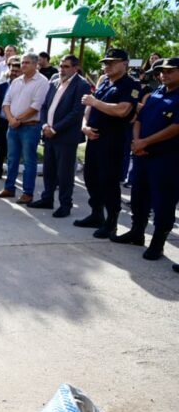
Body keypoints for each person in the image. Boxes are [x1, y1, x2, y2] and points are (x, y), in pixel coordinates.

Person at [111, 57, 179, 261]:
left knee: (163, 201)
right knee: (139, 197)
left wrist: (145, 142)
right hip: (142, 155)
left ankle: (157, 243)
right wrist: (137, 141)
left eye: (170, 71)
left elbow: (175, 128)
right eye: (161, 72)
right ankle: (137, 232)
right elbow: (139, 119)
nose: (164, 74)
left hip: (166, 159)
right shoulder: (157, 92)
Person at [75, 49, 142, 239]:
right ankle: (97, 214)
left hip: (113, 140)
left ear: (125, 64)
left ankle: (111, 222)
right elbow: (89, 107)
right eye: (105, 62)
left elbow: (123, 110)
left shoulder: (130, 85)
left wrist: (95, 103)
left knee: (108, 181)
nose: (107, 65)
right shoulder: (104, 81)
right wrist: (85, 126)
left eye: (112, 62)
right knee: (90, 177)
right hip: (94, 138)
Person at [28, 55, 91, 217]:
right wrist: (44, 126)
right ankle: (47, 199)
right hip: (48, 134)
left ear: (75, 68)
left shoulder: (81, 85)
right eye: (61, 66)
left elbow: (76, 113)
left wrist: (55, 129)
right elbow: (44, 106)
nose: (62, 69)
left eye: (66, 66)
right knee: (49, 170)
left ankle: (65, 205)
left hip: (65, 138)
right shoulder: (54, 81)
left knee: (64, 174)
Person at [0, 53, 49, 204]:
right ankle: (9, 188)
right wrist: (11, 119)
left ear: (36, 64)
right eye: (22, 62)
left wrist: (18, 119)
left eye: (27, 63)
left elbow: (36, 106)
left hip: (30, 127)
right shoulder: (16, 81)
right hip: (13, 126)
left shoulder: (42, 82)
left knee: (29, 161)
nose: (23, 65)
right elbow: (6, 102)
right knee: (12, 159)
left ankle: (28, 193)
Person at [0, 58, 21, 180]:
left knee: (13, 151)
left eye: (17, 71)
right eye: (13, 70)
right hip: (1, 121)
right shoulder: (1, 86)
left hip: (16, 122)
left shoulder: (23, 87)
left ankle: (12, 175)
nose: (14, 73)